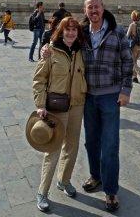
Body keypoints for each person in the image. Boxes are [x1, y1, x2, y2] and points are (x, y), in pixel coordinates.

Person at [81, 0, 133, 212]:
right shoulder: (82, 33)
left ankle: (110, 190)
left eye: (97, 6)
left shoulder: (117, 31)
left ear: (103, 9)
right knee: (91, 141)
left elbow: (128, 60)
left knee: (110, 145)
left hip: (110, 96)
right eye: (90, 7)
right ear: (85, 11)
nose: (94, 10)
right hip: (88, 96)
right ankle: (96, 176)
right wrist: (47, 49)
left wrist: (126, 90)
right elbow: (61, 40)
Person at [32, 17, 87, 212]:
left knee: (72, 146)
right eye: (67, 30)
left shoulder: (82, 50)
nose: (71, 33)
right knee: (53, 149)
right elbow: (39, 80)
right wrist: (40, 104)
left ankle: (64, 180)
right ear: (61, 31)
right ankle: (42, 192)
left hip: (77, 105)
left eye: (74, 30)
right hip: (56, 107)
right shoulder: (50, 51)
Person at [126, 10, 140, 83]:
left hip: (134, 46)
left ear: (132, 17)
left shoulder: (132, 25)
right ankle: (134, 77)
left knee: (132, 62)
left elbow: (127, 36)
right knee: (135, 61)